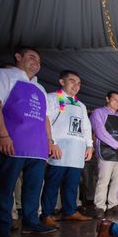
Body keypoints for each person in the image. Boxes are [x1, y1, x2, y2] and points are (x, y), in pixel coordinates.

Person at [0, 46, 60, 237]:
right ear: (18, 57)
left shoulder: (40, 87)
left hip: (37, 147)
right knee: (6, 186)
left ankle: (31, 222)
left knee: (33, 188)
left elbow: (44, 119)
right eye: (31, 57)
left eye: (39, 60)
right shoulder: (4, 75)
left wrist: (49, 142)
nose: (36, 62)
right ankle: (2, 228)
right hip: (14, 141)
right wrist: (3, 135)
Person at [40, 70, 93, 227]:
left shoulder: (81, 105)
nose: (76, 85)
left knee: (72, 184)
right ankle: (47, 213)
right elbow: (45, 120)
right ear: (62, 82)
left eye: (78, 83)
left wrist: (89, 145)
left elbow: (86, 127)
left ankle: (69, 211)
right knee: (52, 182)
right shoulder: (51, 98)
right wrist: (51, 142)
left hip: (77, 150)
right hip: (59, 147)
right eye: (72, 81)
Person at [90, 91, 118, 219]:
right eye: (115, 100)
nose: (117, 103)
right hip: (106, 152)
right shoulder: (98, 113)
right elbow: (100, 131)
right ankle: (99, 206)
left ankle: (113, 204)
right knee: (103, 180)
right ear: (107, 99)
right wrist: (117, 145)